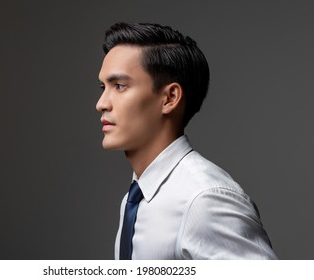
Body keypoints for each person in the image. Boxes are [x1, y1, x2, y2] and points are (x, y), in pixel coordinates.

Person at [96, 22, 277, 260]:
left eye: (119, 86)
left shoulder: (204, 199)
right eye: (103, 87)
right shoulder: (135, 198)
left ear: (170, 98)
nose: (101, 103)